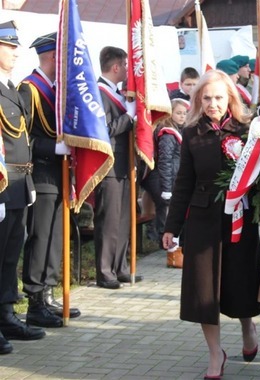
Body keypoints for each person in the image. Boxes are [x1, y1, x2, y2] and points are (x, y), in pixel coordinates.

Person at [162, 70, 260, 379]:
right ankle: (215, 354)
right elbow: (183, 182)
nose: (212, 104)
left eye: (219, 97)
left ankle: (248, 327)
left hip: (241, 219)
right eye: (206, 98)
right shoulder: (192, 133)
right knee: (204, 292)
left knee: (242, 283)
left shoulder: (249, 130)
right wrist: (172, 227)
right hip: (203, 221)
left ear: (231, 98)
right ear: (198, 100)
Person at [19, 31, 81, 328]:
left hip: (59, 175)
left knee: (55, 238)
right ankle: (34, 300)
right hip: (41, 174)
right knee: (40, 237)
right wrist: (54, 147)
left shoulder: (58, 90)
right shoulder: (29, 90)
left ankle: (49, 292)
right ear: (55, 57)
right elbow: (19, 140)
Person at [0, 20, 46, 355]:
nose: (15, 52)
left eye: (15, 46)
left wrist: (27, 181)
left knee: (9, 256)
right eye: (9, 46)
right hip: (1, 185)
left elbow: (22, 139)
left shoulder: (12, 89)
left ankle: (5, 315)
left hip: (17, 184)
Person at [94, 46, 141, 289]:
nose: (127, 70)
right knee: (109, 219)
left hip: (124, 165)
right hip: (109, 165)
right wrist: (129, 117)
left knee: (123, 218)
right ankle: (104, 271)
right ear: (115, 67)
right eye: (125, 65)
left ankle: (120, 266)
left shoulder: (118, 93)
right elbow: (106, 130)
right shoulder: (99, 92)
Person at [155, 98, 188, 247]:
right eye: (178, 113)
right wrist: (166, 188)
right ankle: (168, 244)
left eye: (185, 113)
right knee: (170, 212)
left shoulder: (182, 130)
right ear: (170, 114)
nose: (182, 116)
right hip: (172, 178)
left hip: (178, 177)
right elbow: (165, 161)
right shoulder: (168, 134)